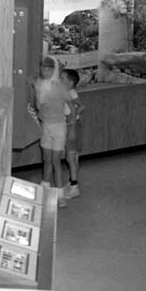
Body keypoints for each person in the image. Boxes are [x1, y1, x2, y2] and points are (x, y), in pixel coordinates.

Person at [27, 55, 73, 207]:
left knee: (55, 161)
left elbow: (72, 106)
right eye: (43, 68)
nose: (45, 71)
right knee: (46, 159)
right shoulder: (39, 84)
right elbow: (30, 81)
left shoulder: (60, 87)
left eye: (48, 69)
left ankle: (60, 194)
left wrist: (72, 125)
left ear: (54, 70)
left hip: (59, 127)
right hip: (45, 126)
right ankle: (45, 188)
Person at [60, 67, 84, 199]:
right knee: (74, 158)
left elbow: (82, 106)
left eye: (62, 78)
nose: (59, 80)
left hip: (72, 127)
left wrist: (72, 119)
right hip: (71, 126)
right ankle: (72, 182)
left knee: (71, 158)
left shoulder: (70, 93)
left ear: (70, 83)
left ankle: (74, 186)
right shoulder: (67, 92)